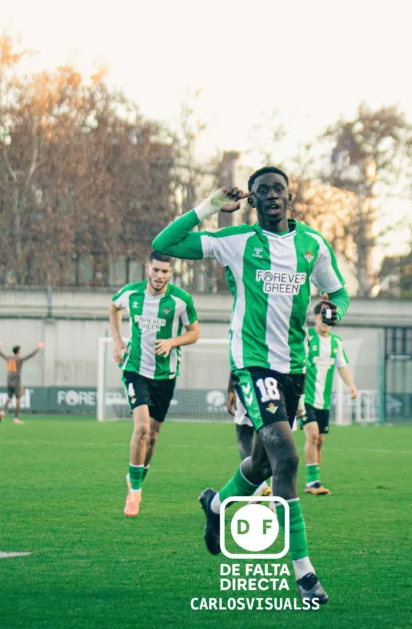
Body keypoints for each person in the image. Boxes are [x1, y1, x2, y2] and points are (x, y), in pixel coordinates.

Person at [153, 165, 349, 605]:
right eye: (263, 191)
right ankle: (305, 575)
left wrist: (334, 310)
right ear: (253, 201)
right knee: (287, 457)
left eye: (279, 189)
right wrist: (209, 207)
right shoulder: (237, 243)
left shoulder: (312, 245)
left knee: (261, 466)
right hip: (253, 364)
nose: (272, 196)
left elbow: (338, 293)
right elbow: (162, 245)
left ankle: (218, 505)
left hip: (293, 368)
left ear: (289, 197)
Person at [110, 251, 200, 517]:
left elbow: (194, 332)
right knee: (141, 428)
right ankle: (135, 491)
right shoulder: (131, 293)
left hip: (165, 376)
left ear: (171, 272)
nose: (160, 276)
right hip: (135, 370)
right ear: (147, 268)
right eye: (156, 270)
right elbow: (114, 307)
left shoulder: (181, 301)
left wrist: (173, 342)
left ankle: (136, 478)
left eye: (165, 271)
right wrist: (117, 340)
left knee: (153, 436)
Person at [299, 300, 358, 496]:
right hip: (305, 398)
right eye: (322, 316)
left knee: (320, 439)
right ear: (315, 317)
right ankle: (312, 482)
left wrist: (351, 385)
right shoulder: (307, 338)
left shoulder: (336, 343)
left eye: (330, 318)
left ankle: (313, 478)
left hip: (323, 400)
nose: (326, 321)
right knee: (313, 435)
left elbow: (342, 366)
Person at [227, 371, 270, 496]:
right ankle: (276, 503)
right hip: (280, 385)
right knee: (277, 440)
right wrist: (300, 397)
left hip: (249, 382)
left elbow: (236, 356)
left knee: (244, 435)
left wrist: (231, 389)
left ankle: (258, 485)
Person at [0, 341, 44, 424]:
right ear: (18, 351)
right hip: (16, 381)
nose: (21, 351)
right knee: (18, 400)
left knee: (9, 398)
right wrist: (38, 348)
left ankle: (2, 411)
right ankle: (16, 418)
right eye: (20, 350)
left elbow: (1, 354)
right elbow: (30, 355)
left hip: (8, 380)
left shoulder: (9, 358)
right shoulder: (19, 359)